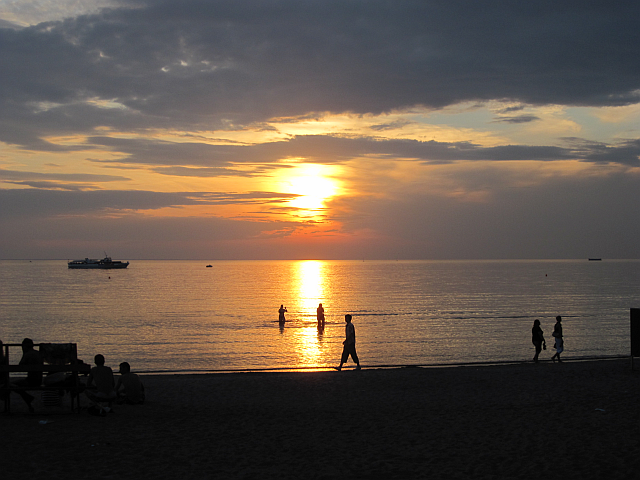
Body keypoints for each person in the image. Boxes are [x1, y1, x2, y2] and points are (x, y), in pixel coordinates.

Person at [12, 338, 43, 413]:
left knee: (11, 385)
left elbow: (20, 367)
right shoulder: (38, 353)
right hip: (39, 380)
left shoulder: (27, 354)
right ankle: (28, 400)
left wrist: (24, 354)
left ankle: (28, 398)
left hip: (31, 381)